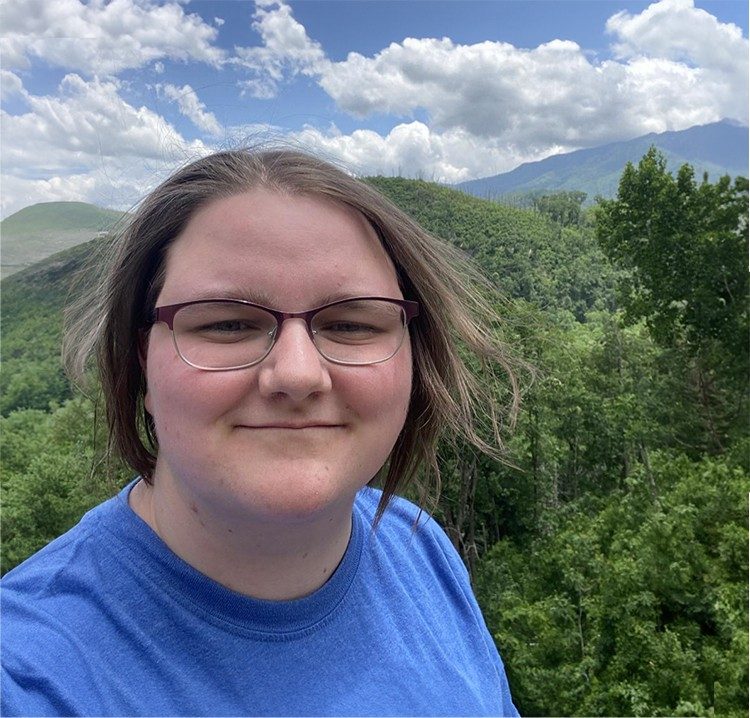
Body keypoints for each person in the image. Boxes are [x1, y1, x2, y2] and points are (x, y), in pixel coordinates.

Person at [1, 148, 521, 716]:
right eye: (227, 323)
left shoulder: (418, 546)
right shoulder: (31, 677)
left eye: (351, 322)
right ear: (138, 366)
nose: (297, 374)